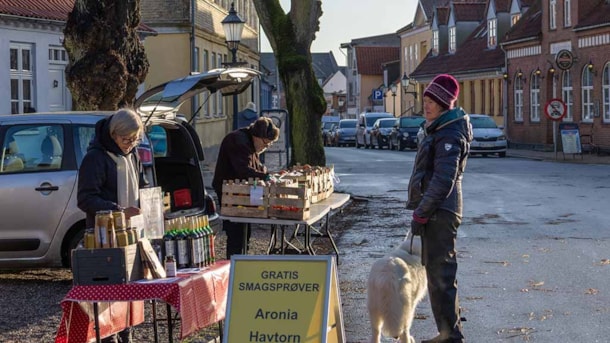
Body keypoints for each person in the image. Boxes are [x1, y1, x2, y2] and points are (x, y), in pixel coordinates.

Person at [406, 74, 472, 343]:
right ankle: (447, 331)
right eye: (425, 99)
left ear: (446, 103)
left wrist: (422, 211)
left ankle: (450, 335)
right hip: (437, 210)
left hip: (441, 212)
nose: (427, 104)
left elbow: (443, 179)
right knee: (437, 275)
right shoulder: (439, 129)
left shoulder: (449, 134)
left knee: (442, 274)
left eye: (433, 100)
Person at [77, 108, 147, 343]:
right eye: (126, 140)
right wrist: (118, 211)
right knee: (108, 302)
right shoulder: (95, 158)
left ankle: (126, 336)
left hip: (131, 235)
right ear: (113, 134)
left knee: (129, 295)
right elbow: (86, 199)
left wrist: (152, 203)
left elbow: (143, 185)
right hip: (104, 238)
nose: (130, 144)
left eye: (135, 140)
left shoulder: (133, 154)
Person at [212, 117, 280, 259]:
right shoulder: (238, 141)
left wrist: (267, 173)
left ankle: (242, 260)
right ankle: (234, 264)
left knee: (245, 231)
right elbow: (243, 170)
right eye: (265, 143)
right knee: (236, 232)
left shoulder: (249, 142)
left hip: (240, 193)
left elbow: (257, 166)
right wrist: (264, 177)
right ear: (258, 136)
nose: (265, 147)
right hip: (230, 193)